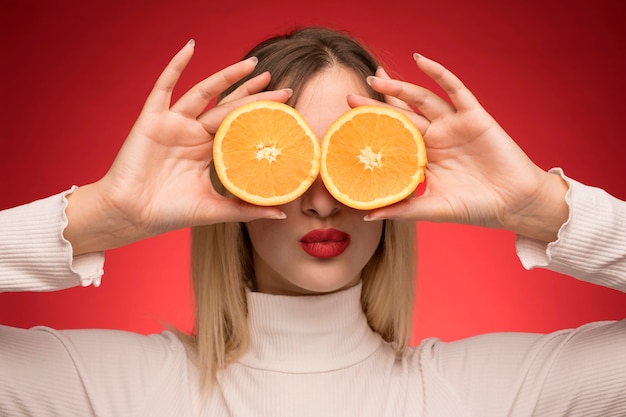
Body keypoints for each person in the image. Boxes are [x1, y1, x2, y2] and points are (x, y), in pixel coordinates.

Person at [1, 27, 625, 416]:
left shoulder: (494, 394)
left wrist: (542, 207)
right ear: (227, 175)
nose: (323, 202)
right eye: (288, 163)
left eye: (353, 162)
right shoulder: (99, 390)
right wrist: (97, 218)